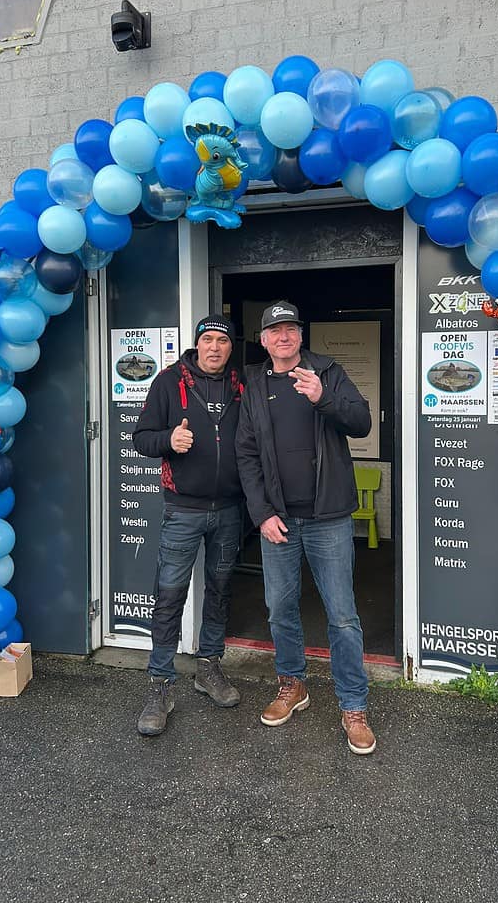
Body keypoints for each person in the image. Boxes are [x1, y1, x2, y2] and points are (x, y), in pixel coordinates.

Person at [235, 301, 376, 755]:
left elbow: (361, 421)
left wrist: (323, 397)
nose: (283, 336)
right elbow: (246, 452)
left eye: (290, 328)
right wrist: (261, 513)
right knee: (280, 607)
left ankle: (353, 705)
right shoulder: (254, 383)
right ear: (263, 339)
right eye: (274, 330)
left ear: (300, 334)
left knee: (342, 615)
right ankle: (292, 684)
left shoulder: (327, 372)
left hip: (328, 515)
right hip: (277, 517)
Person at [132, 314, 244, 736]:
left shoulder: (240, 386)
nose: (214, 347)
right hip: (183, 510)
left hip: (231, 509)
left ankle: (208, 667)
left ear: (231, 347)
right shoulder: (168, 382)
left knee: (220, 589)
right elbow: (141, 437)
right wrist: (168, 441)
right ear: (197, 345)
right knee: (170, 594)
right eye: (208, 340)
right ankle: (160, 685)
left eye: (222, 340)